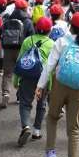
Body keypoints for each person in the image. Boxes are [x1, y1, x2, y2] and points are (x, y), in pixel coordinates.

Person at [36, 11, 79, 157]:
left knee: (52, 117)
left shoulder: (61, 41)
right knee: (74, 128)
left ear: (70, 26)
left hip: (60, 85)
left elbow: (49, 65)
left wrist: (40, 85)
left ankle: (50, 151)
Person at [13, 16, 55, 146]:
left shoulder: (27, 40)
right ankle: (37, 131)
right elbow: (53, 67)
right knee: (41, 104)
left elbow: (20, 60)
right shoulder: (52, 44)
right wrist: (51, 84)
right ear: (49, 30)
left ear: (36, 28)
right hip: (43, 78)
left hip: (27, 76)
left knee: (25, 103)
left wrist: (16, 80)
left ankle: (26, 126)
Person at [1, 0, 34, 108]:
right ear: (25, 8)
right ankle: (20, 96)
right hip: (22, 50)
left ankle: (5, 93)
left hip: (8, 50)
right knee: (22, 74)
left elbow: (0, 32)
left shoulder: (7, 19)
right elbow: (31, 36)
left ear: (15, 8)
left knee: (7, 74)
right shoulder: (28, 21)